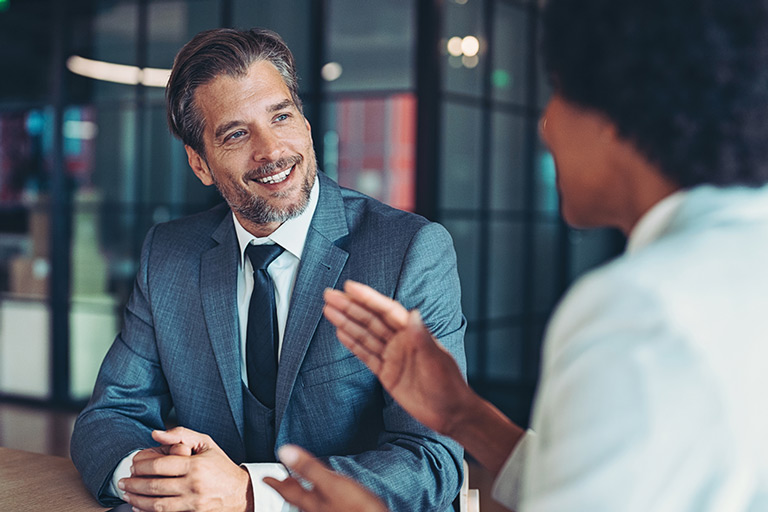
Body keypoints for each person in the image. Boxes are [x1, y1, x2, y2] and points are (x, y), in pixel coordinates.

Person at [264, 0, 768, 510]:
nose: (546, 125)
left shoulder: (638, 306)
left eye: (559, 93)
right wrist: (463, 416)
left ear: (617, 113)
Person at [70, 27, 466, 512]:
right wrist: (163, 481)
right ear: (200, 164)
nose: (272, 150)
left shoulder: (408, 252)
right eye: (236, 134)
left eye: (281, 116)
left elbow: (432, 459)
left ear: (305, 123)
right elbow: (109, 415)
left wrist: (250, 492)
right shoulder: (168, 255)